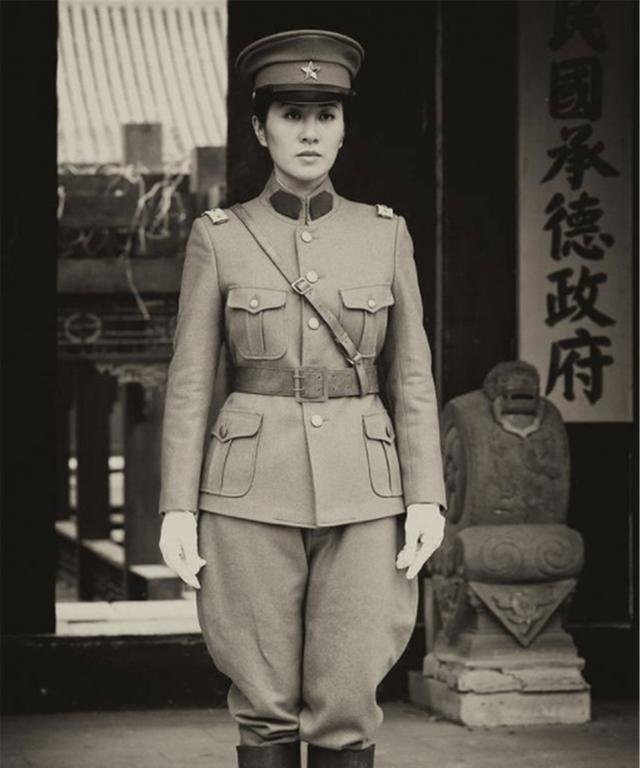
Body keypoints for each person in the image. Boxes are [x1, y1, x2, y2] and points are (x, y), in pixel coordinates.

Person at [158, 29, 447, 768]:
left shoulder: (385, 235)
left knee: (347, 700)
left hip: (365, 489)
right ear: (261, 129)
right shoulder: (221, 237)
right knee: (263, 704)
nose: (311, 132)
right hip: (249, 490)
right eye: (292, 114)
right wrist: (177, 506)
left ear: (344, 128)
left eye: (326, 115)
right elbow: (192, 381)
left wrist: (426, 495)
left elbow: (411, 375)